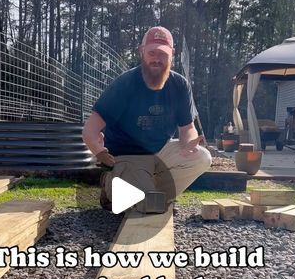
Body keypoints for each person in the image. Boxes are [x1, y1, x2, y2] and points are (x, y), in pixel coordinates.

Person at [82, 26, 212, 211]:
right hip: (128, 155)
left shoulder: (180, 85)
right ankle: (111, 183)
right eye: (152, 52)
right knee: (138, 204)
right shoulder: (124, 84)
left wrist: (189, 143)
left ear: (172, 54)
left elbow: (187, 128)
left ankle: (152, 198)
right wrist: (98, 151)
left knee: (202, 157)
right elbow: (90, 128)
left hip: (160, 152)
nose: (157, 59)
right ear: (141, 51)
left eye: (163, 54)